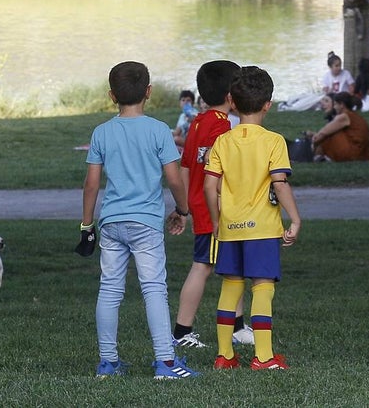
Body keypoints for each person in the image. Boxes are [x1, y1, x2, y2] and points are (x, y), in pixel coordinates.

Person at [80, 61, 199, 380]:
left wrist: (87, 224)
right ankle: (165, 362)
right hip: (146, 223)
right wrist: (182, 210)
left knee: (109, 290)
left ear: (111, 96)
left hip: (111, 223)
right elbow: (174, 180)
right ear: (148, 92)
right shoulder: (159, 130)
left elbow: (92, 184)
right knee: (154, 289)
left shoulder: (102, 132)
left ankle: (108, 363)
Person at [204, 65, 302, 370]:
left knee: (230, 287)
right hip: (262, 228)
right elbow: (279, 183)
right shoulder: (274, 142)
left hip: (230, 226)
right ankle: (262, 357)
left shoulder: (223, 142)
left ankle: (225, 355)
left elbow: (210, 185)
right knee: (262, 287)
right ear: (268, 104)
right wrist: (295, 219)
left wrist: (216, 220)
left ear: (232, 101)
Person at [170, 60, 255, 350]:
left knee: (233, 267)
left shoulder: (197, 122)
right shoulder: (223, 129)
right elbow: (221, 176)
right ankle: (182, 331)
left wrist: (185, 206)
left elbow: (185, 166)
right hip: (216, 209)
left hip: (201, 204)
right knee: (203, 266)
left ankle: (238, 326)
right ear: (232, 94)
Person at [310, 92, 369, 162]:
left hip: (354, 153)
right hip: (362, 153)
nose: (334, 107)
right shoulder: (353, 115)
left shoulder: (344, 116)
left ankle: (316, 156)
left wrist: (314, 142)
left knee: (326, 136)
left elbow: (324, 132)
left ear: (342, 105)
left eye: (336, 104)